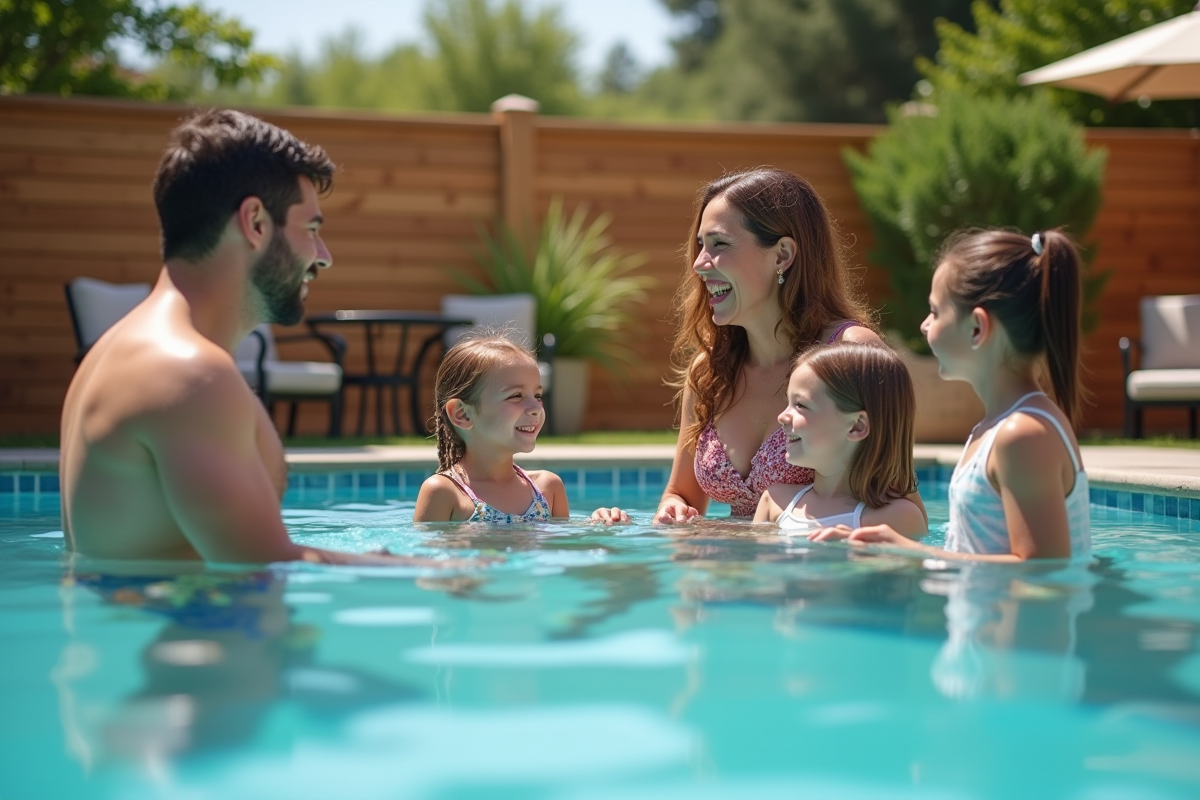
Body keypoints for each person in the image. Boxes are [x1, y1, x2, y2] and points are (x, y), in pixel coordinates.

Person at [59, 109, 435, 565]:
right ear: (255, 222)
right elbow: (259, 565)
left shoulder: (126, 351)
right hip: (188, 631)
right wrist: (439, 571)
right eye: (311, 230)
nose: (324, 257)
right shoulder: (188, 373)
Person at [822, 229, 1091, 562]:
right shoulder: (995, 429)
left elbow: (1042, 572)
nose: (924, 325)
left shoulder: (1022, 436)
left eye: (935, 312)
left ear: (977, 328)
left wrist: (912, 551)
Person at [654, 167, 899, 523]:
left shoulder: (850, 354)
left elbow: (905, 511)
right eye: (700, 245)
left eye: (719, 244)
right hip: (723, 574)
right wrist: (672, 510)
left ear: (783, 254)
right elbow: (681, 494)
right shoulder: (709, 374)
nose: (698, 264)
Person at [413, 334, 628, 524]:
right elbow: (429, 565)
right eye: (516, 395)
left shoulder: (548, 488)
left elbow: (561, 552)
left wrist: (597, 523)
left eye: (537, 396)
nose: (536, 408)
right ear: (462, 414)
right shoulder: (444, 492)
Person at [753, 343, 926, 539]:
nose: (782, 416)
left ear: (856, 426)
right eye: (788, 403)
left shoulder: (895, 517)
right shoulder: (775, 501)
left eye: (800, 405)